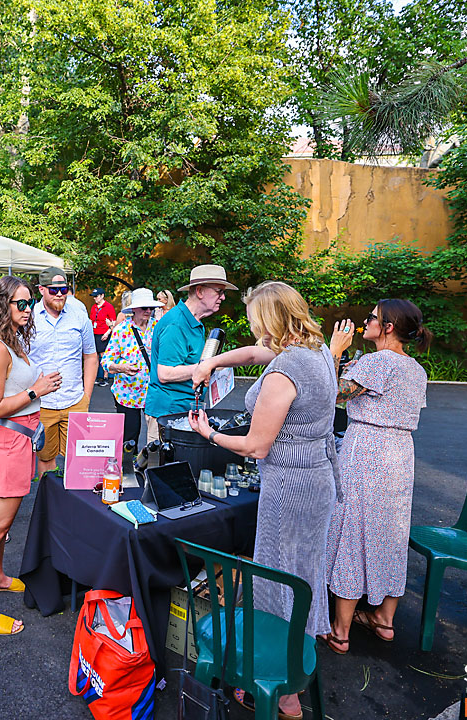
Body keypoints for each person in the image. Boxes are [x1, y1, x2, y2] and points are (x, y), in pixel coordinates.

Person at [189, 281, 339, 720]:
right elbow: (254, 353)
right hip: (318, 479)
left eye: (256, 319)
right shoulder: (316, 352)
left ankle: (282, 690)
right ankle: (294, 665)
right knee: (303, 573)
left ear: (271, 319)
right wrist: (212, 361)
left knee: (277, 579)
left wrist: (210, 433)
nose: (254, 330)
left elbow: (256, 445)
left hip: (291, 487)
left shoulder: (284, 372)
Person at [321, 300, 432, 654]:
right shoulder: (415, 368)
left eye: (372, 318)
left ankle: (340, 630)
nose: (364, 322)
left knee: (353, 531)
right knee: (390, 534)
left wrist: (334, 354)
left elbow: (333, 395)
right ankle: (384, 620)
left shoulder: (376, 361)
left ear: (387, 327)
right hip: (400, 454)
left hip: (367, 450)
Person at [0, 276, 61, 635]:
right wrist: (36, 390)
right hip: (6, 442)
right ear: (1, 305)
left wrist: (37, 389)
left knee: (3, 525)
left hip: (20, 441)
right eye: (19, 304)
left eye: (28, 304)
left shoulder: (12, 342)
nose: (27, 310)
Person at [144, 264, 237, 428]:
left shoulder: (193, 321)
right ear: (200, 291)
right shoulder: (176, 324)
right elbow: (165, 373)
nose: (223, 297)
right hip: (168, 414)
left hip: (183, 410)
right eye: (219, 291)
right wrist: (208, 366)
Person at [28, 267, 97, 477]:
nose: (59, 294)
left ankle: (73, 508)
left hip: (75, 401)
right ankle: (49, 507)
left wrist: (86, 397)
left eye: (64, 289)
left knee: (79, 460)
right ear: (41, 290)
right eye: (53, 290)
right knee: (46, 459)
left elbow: (91, 356)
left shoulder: (79, 316)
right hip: (42, 404)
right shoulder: (29, 319)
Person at [101, 288, 161, 452]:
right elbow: (106, 361)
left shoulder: (158, 327)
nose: (148, 311)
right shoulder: (121, 330)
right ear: (134, 308)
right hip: (128, 394)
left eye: (151, 308)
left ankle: (150, 470)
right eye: (144, 308)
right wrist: (121, 367)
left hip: (153, 392)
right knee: (129, 439)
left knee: (156, 440)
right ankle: (128, 472)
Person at [89, 288, 117, 386]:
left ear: (102, 296)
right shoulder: (94, 307)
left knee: (103, 355)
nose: (95, 298)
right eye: (94, 297)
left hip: (103, 334)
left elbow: (113, 322)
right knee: (95, 356)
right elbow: (92, 319)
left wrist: (107, 333)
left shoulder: (108, 307)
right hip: (94, 333)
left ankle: (105, 377)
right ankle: (96, 376)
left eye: (96, 296)